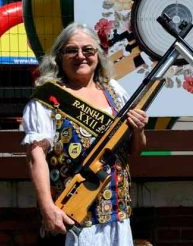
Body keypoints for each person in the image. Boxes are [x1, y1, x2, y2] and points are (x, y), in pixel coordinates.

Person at [22, 23, 148, 246]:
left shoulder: (115, 92)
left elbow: (134, 150)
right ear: (59, 56)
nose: (81, 56)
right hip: (75, 216)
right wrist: (47, 207)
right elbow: (35, 156)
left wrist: (138, 130)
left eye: (88, 50)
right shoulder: (48, 98)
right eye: (71, 50)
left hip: (118, 216)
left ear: (98, 55)